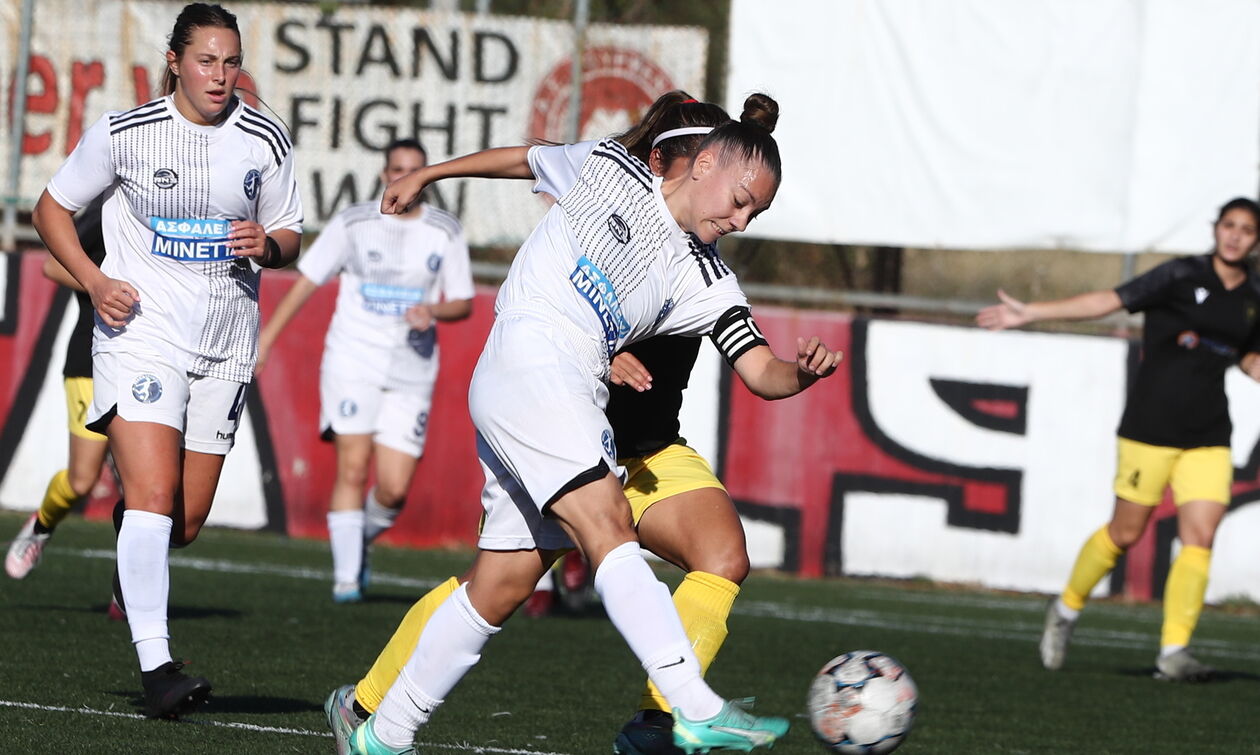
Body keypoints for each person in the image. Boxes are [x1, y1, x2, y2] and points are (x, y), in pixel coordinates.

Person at [325, 93, 837, 755]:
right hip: (530, 363)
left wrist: (801, 371)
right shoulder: (607, 168)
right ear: (703, 161)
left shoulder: (704, 276)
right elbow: (523, 161)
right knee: (607, 523)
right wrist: (429, 174)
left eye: (754, 212)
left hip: (570, 391)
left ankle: (382, 735)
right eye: (738, 199)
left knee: (499, 585)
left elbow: (761, 368)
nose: (739, 219)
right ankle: (689, 703)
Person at [30, 2, 303, 718]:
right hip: (141, 335)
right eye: (207, 60)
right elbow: (50, 210)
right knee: (152, 497)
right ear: (176, 61)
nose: (220, 75)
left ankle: (136, 536)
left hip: (227, 346)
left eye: (232, 60)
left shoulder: (265, 138)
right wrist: (95, 282)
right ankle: (159, 667)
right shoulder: (125, 132)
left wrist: (268, 245)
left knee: (181, 521)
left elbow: (290, 229)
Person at [976, 196, 1260, 682]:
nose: (1235, 235)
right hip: (1150, 428)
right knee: (1125, 533)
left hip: (1209, 434)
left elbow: (1250, 359)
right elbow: (1109, 300)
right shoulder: (1179, 276)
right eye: (1229, 225)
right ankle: (1065, 610)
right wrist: (1034, 312)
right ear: (1215, 229)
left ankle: (1174, 652)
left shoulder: (1254, 294)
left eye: (1247, 229)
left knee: (1201, 536)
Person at [256, 138, 474, 603]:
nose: (405, 179)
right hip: (353, 360)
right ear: (383, 174)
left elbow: (462, 301)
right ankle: (346, 581)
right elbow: (307, 280)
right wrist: (267, 339)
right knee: (352, 468)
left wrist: (432, 312)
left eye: (415, 170)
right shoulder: (353, 222)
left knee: (393, 490)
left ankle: (357, 545)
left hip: (412, 370)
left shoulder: (445, 231)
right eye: (397, 168)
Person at [5, 194, 112, 580]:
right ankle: (41, 524)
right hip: (93, 358)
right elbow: (53, 266)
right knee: (82, 479)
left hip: (159, 362)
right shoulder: (107, 208)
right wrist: (103, 285)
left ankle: (131, 588)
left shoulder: (193, 204)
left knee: (152, 488)